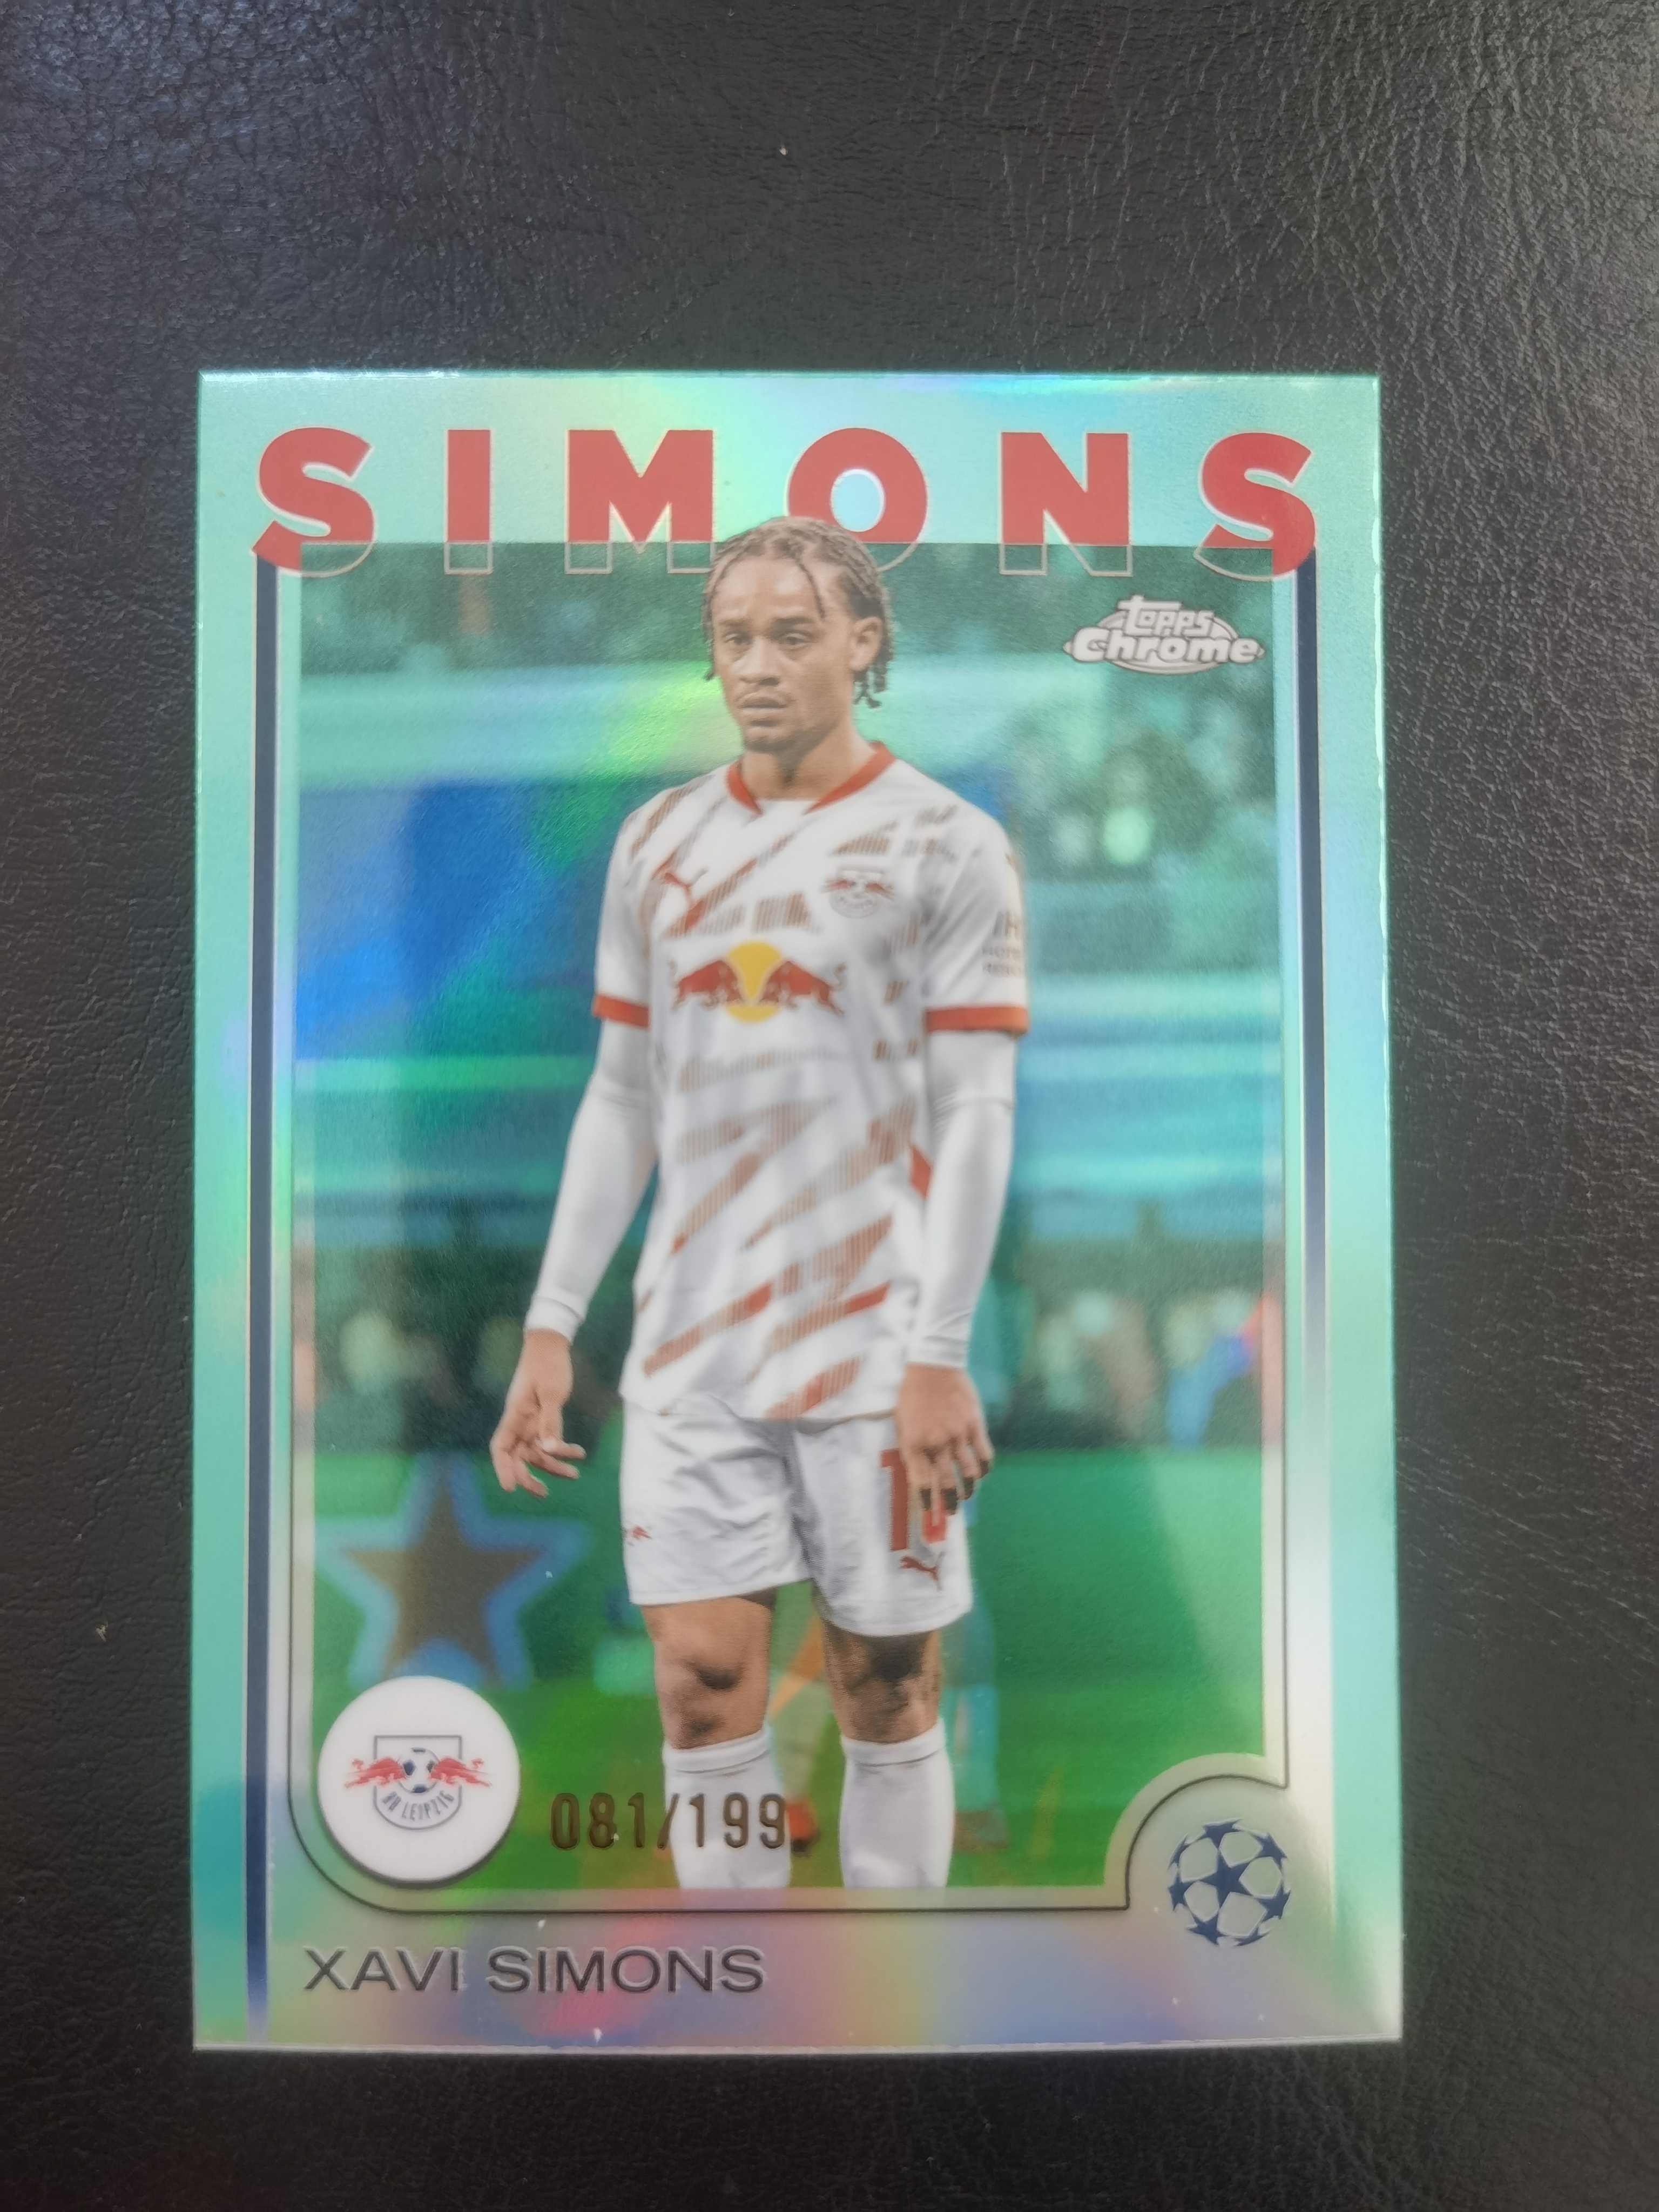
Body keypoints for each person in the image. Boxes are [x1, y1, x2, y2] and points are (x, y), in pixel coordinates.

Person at [490, 516, 1027, 1890]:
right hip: (691, 1348)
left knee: (888, 1684)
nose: (759, 663)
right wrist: (554, 1321)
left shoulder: (949, 842)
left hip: (874, 1348)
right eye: (735, 636)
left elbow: (978, 1106)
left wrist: (938, 1352)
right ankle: (744, 1977)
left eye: (793, 634)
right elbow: (621, 1094)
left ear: (865, 641)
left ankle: (894, 1974)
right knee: (701, 1689)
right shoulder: (657, 840)